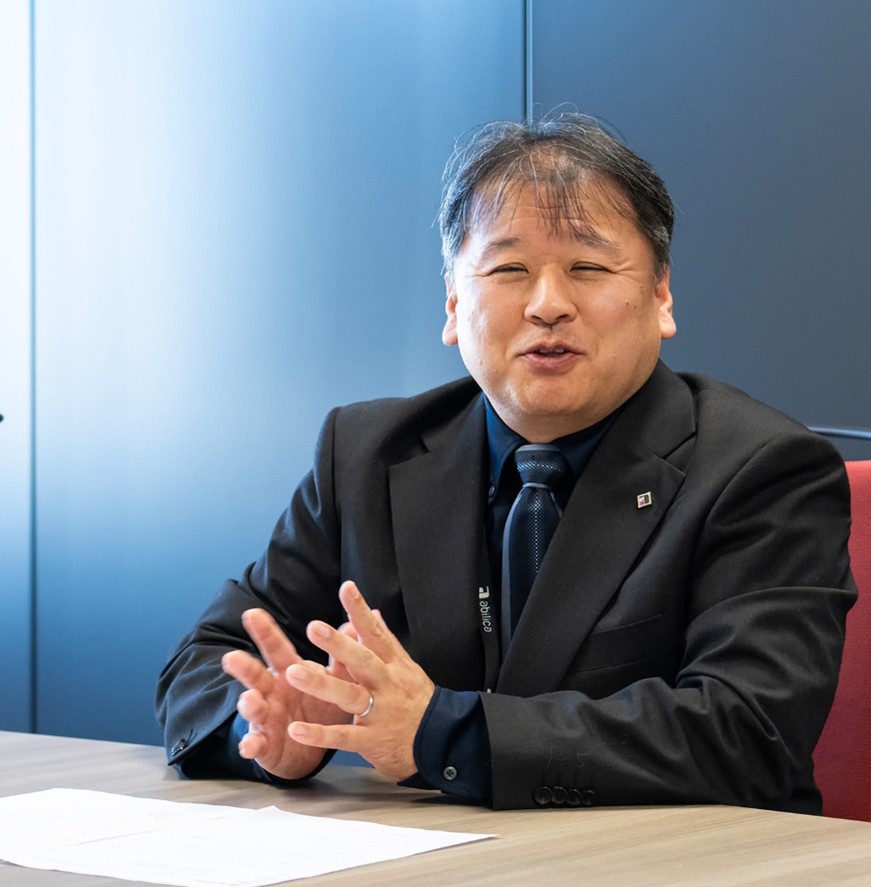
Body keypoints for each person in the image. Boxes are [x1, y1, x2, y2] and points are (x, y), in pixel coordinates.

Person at [156, 112, 855, 813]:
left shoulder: (762, 469)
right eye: (508, 269)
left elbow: (746, 732)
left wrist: (439, 733)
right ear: (454, 303)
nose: (548, 305)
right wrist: (266, 725)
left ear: (660, 295)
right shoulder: (366, 453)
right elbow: (211, 656)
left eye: (587, 267)